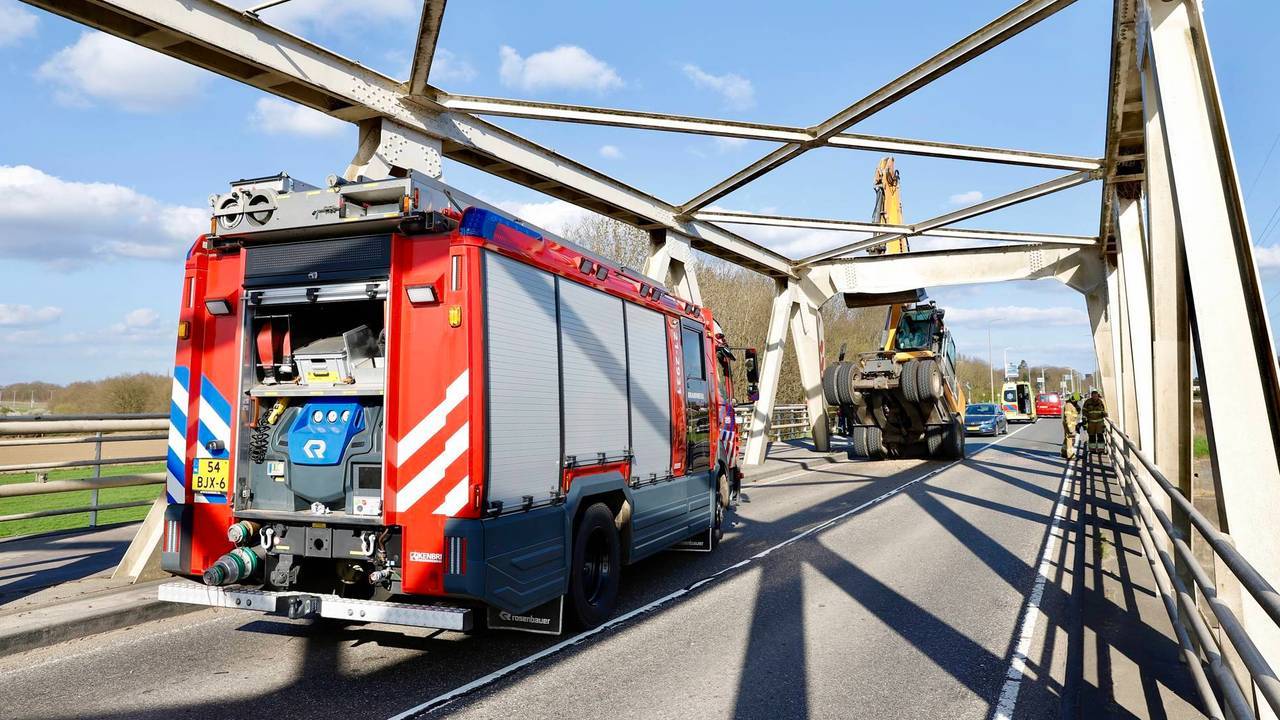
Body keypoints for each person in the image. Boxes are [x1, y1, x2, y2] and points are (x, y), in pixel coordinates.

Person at [1061, 393, 1080, 459]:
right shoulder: (1068, 405)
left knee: (1067, 438)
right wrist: (1070, 429)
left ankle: (1064, 452)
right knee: (1070, 439)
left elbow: (1078, 412)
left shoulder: (1073, 405)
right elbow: (1067, 417)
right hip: (1069, 425)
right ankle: (1070, 455)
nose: (1077, 402)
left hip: (1072, 424)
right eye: (1077, 400)